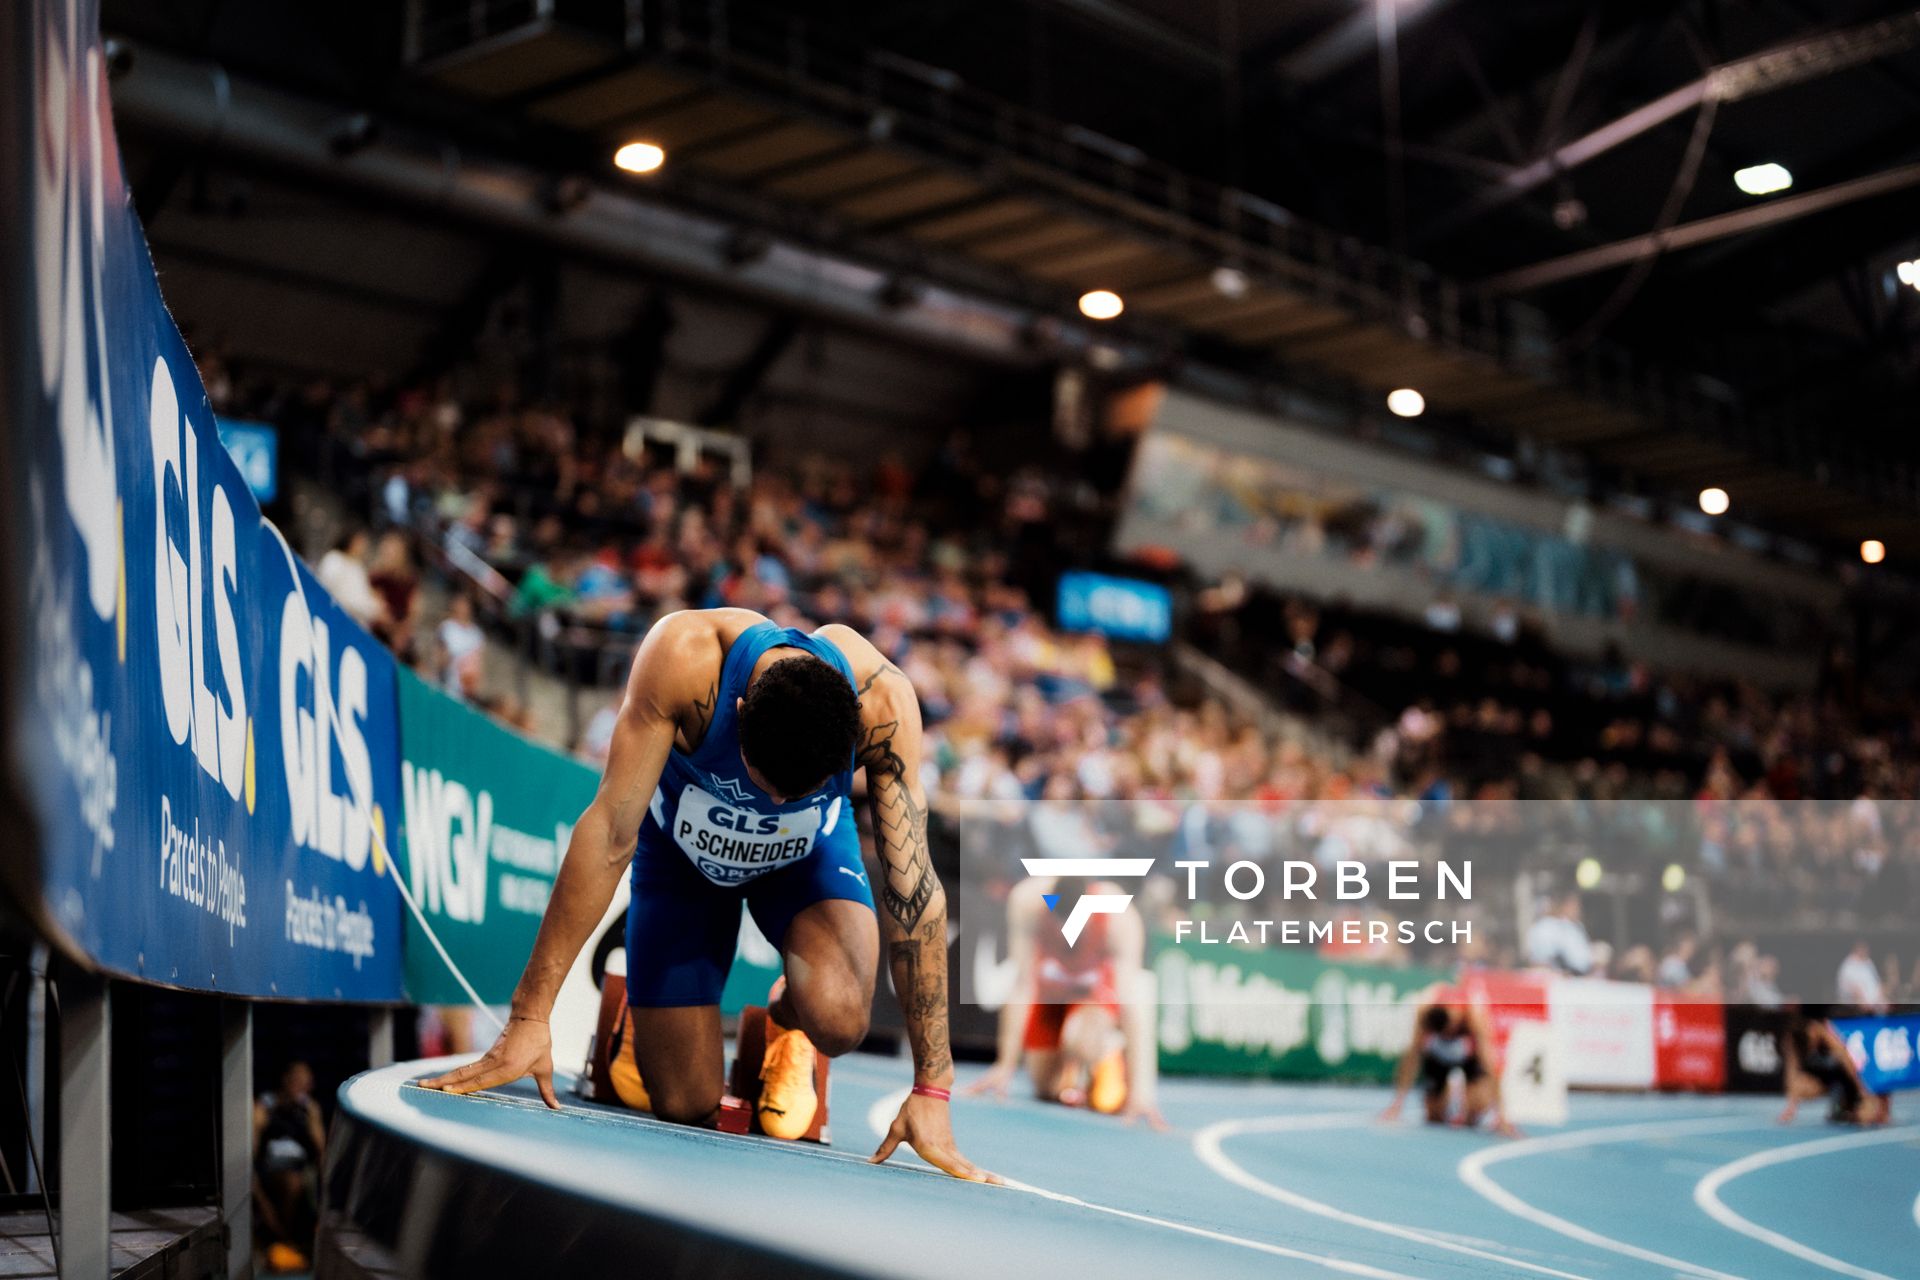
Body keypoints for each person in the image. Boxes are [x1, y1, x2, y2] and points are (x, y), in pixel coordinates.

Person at [423, 608, 996, 1182]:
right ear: (741, 713)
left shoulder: (885, 706)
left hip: (803, 861)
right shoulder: (685, 660)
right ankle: (631, 1013)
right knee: (684, 1103)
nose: (769, 805)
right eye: (765, 784)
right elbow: (609, 836)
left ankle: (782, 1022)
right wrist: (529, 1016)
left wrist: (932, 1089)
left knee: (843, 1022)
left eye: (793, 792)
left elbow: (915, 898)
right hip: (683, 863)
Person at [967, 875, 1163, 1127]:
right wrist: (1004, 1065)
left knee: (1080, 1042)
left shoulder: (1118, 916)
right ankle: (1068, 1067)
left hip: (1092, 998)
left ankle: (1107, 1049)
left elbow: (1131, 1003)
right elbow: (1022, 985)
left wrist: (1140, 1093)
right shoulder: (1027, 902)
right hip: (1051, 994)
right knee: (1046, 1090)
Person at [1381, 999, 1517, 1136]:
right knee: (1434, 1118)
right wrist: (1397, 1104)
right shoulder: (1424, 1010)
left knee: (1474, 1112)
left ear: (1454, 1021)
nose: (1448, 1037)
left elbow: (1490, 1065)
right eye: (1443, 1035)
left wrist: (1501, 1116)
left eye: (1450, 1033)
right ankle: (1448, 1092)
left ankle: (1463, 1095)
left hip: (1469, 1060)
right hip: (1438, 1058)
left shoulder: (1474, 1014)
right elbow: (1412, 1058)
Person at [254, 1061, 327, 1273]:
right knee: (291, 1183)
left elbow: (321, 1149)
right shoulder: (265, 1106)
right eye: (297, 1080)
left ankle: (303, 1242)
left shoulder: (309, 1108)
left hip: (301, 1168)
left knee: (303, 1181)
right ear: (285, 1080)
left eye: (306, 1083)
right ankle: (281, 1238)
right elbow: (250, 1151)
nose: (301, 1087)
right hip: (271, 1169)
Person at [1779, 1005, 1889, 1125]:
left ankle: (1855, 1105)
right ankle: (1840, 1107)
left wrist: (1862, 1091)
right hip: (1828, 1081)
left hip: (1846, 1080)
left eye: (1812, 1036)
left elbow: (1848, 1064)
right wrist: (1791, 1108)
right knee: (1800, 1086)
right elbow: (1792, 1073)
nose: (1812, 1041)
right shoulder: (1792, 1040)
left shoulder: (1825, 1034)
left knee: (1865, 1119)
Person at [316, 526, 387, 632]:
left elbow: (363, 597)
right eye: (360, 542)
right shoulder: (334, 559)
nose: (363, 546)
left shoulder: (358, 568)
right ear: (350, 540)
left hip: (353, 629)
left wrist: (375, 604)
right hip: (332, 620)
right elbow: (339, 595)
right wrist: (374, 607)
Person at [1524, 891, 1592, 975]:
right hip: (1560, 980)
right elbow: (1540, 963)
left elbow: (1584, 959)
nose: (1577, 910)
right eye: (1573, 905)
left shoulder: (1576, 926)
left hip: (1582, 978)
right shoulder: (1544, 927)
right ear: (1563, 905)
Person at [1836, 940, 1888, 1012]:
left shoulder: (1868, 962)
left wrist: (1881, 998)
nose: (1867, 951)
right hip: (1858, 1007)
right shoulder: (1848, 966)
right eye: (1864, 949)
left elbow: (1878, 982)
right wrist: (1864, 1003)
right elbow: (1852, 990)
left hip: (1875, 1004)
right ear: (1857, 949)